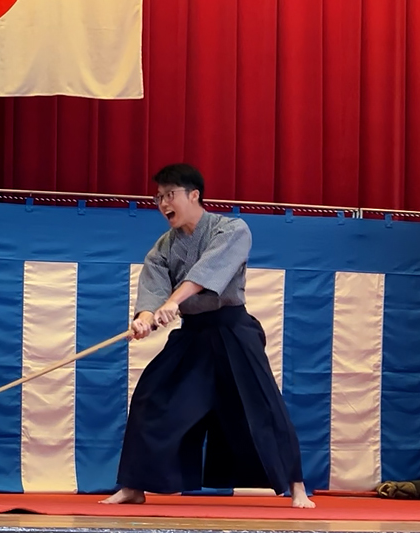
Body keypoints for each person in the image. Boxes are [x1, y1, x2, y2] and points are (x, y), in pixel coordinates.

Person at [101, 164, 314, 509]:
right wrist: (144, 318)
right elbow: (153, 286)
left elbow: (210, 270)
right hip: (194, 334)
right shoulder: (165, 246)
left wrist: (173, 302)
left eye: (170, 195)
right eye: (158, 197)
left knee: (263, 404)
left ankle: (297, 485)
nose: (162, 203)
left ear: (194, 195)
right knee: (151, 398)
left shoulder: (232, 229)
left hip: (233, 330)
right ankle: (134, 485)